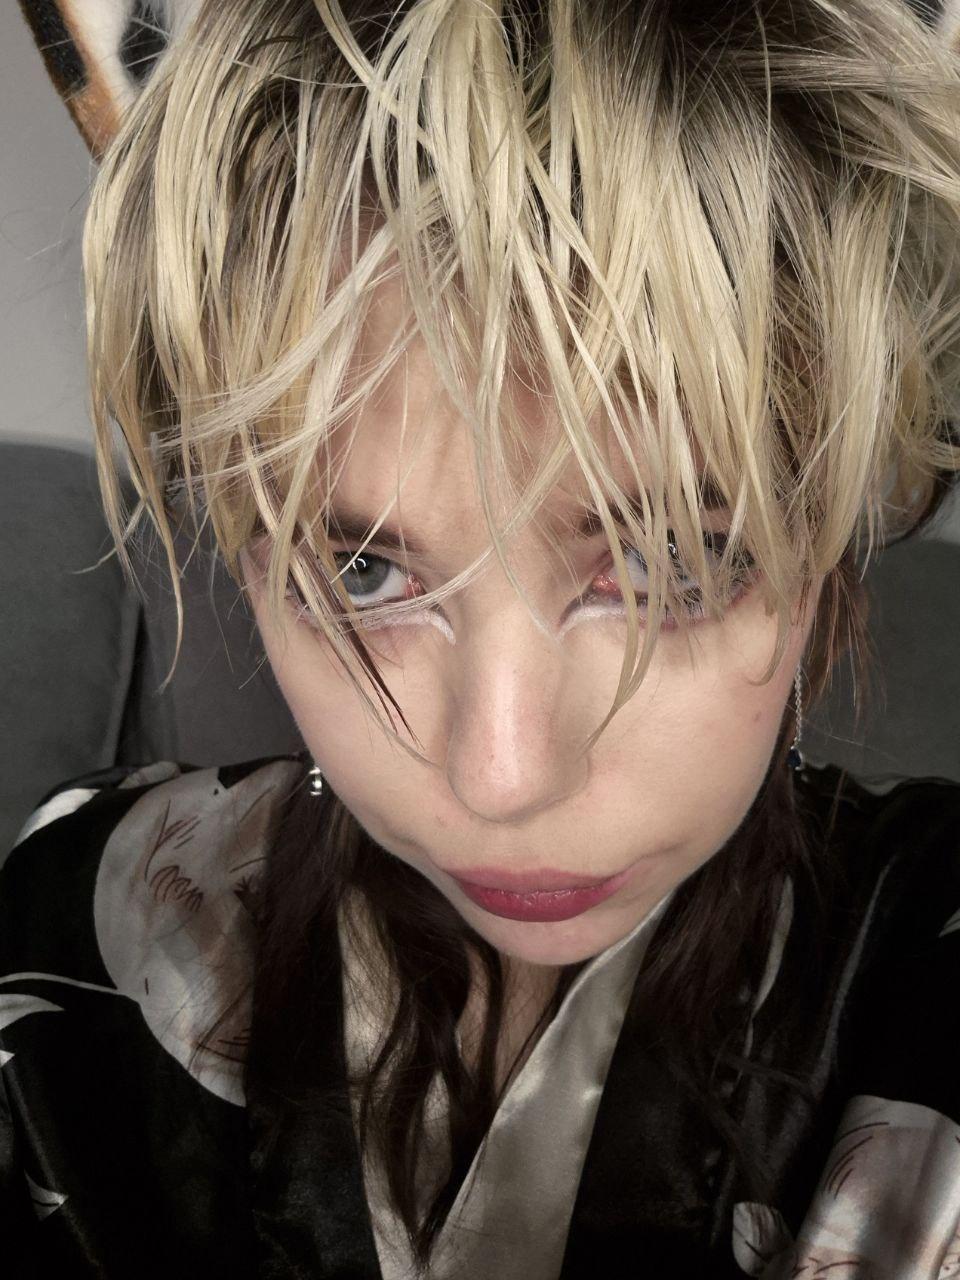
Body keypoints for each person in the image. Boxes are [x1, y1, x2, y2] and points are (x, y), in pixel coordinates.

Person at [5, 0, 960, 1275]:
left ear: (826, 542)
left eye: (670, 561)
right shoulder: (77, 914)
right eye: (361, 569)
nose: (500, 777)